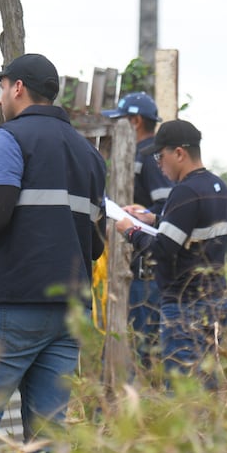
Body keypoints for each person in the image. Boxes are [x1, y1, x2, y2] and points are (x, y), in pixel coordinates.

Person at [0, 53, 107, 453]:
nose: (1, 95)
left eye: (2, 86)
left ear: (17, 87)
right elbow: (96, 245)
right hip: (70, 314)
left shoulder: (10, 138)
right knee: (47, 434)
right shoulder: (90, 156)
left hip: (14, 306)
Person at [113, 119, 227, 386]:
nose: (158, 163)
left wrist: (130, 230)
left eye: (160, 155)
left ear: (179, 153)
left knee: (181, 392)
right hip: (215, 301)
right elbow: (190, 229)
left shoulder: (185, 192)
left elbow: (163, 250)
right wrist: (153, 218)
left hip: (185, 305)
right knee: (207, 388)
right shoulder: (217, 187)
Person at [101, 92, 173, 368]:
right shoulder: (140, 154)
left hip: (147, 272)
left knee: (143, 350)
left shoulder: (150, 156)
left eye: (121, 121)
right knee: (133, 346)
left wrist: (143, 217)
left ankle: (142, 405)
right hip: (136, 268)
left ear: (136, 121)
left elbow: (166, 207)